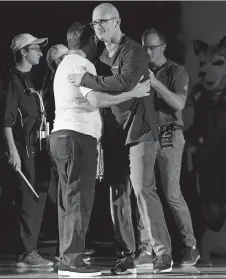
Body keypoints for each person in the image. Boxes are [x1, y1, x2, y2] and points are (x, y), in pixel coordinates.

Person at [67, 3, 173, 274]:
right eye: (94, 23)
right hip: (113, 133)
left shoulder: (135, 51)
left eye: (103, 21)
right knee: (117, 194)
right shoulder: (100, 57)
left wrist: (88, 80)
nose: (98, 27)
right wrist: (94, 83)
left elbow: (125, 82)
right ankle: (126, 253)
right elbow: (105, 96)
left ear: (117, 22)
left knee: (142, 189)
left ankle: (162, 253)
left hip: (140, 131)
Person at [50, 22, 151, 277]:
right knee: (78, 200)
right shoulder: (82, 65)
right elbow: (96, 99)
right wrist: (135, 92)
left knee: (67, 199)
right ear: (91, 42)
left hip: (61, 135)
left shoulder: (64, 64)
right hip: (78, 137)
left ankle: (67, 257)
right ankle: (72, 261)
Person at [138, 28, 200, 266]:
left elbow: (178, 103)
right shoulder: (142, 72)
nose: (147, 52)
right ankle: (146, 247)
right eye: (144, 47)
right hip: (145, 136)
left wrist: (155, 84)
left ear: (163, 47)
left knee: (172, 194)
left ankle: (190, 245)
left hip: (169, 134)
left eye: (151, 47)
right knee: (143, 191)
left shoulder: (177, 71)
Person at [0, 33, 53, 267]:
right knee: (28, 199)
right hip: (24, 150)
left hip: (37, 148)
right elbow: (6, 120)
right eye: (35, 49)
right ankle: (26, 252)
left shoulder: (27, 79)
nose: (40, 52)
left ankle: (29, 250)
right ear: (23, 52)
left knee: (37, 197)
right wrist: (13, 152)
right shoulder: (12, 81)